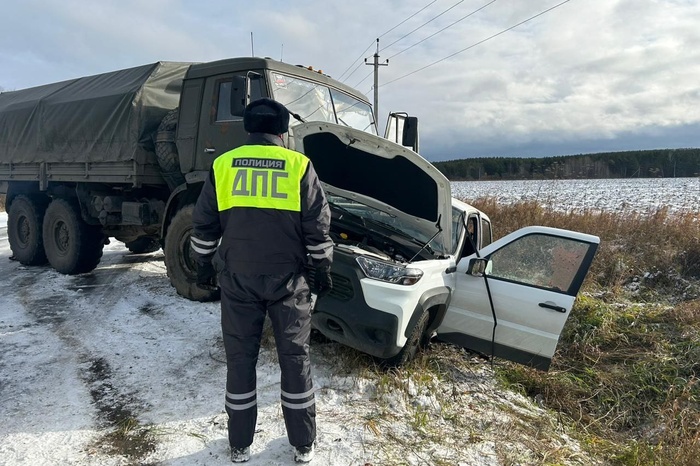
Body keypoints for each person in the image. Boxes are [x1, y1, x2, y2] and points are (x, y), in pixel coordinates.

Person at [190, 98, 333, 463]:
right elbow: (316, 225)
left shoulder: (224, 164)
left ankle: (239, 445)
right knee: (294, 358)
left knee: (240, 360)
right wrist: (322, 268)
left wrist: (202, 261)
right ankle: (302, 444)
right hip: (289, 281)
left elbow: (204, 221)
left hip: (238, 279)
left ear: (248, 129)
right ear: (283, 131)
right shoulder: (299, 165)